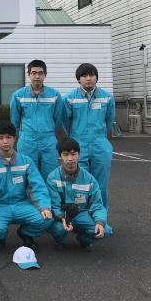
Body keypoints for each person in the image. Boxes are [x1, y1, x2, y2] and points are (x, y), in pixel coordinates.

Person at [0, 121, 52, 250]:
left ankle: (25, 233)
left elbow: (38, 187)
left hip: (22, 204)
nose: (5, 141)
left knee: (46, 220)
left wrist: (44, 207)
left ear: (15, 138)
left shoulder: (26, 161)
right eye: (1, 138)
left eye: (8, 137)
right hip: (0, 206)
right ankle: (0, 237)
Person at [62, 63, 115, 207]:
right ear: (78, 79)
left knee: (100, 185)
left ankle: (100, 216)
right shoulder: (69, 98)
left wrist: (100, 136)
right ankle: (81, 216)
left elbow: (109, 121)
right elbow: (65, 122)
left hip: (100, 145)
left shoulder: (107, 98)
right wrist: (75, 138)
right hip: (78, 146)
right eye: (84, 75)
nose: (88, 78)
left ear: (96, 77)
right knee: (79, 184)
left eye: (92, 75)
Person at [46, 137, 112, 251]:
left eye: (73, 154)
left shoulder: (89, 179)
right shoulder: (52, 178)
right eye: (65, 154)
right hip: (62, 216)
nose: (70, 158)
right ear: (60, 157)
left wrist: (100, 222)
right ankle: (59, 240)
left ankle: (84, 239)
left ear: (79, 155)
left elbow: (97, 205)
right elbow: (54, 205)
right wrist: (62, 218)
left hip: (81, 214)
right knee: (59, 229)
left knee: (106, 230)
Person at [10, 60, 63, 180]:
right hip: (27, 140)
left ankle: (48, 193)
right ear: (28, 74)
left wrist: (48, 132)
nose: (37, 76)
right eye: (33, 73)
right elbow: (14, 122)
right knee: (27, 174)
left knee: (50, 176)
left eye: (40, 73)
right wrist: (15, 141)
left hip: (49, 140)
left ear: (45, 75)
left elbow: (58, 119)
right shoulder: (18, 95)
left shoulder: (54, 95)